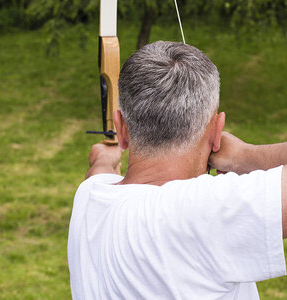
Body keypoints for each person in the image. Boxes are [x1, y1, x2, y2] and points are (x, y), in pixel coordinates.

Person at [67, 41, 287, 299]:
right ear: (217, 131)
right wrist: (243, 156)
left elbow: (99, 175)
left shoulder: (89, 197)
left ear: (121, 128)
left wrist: (103, 160)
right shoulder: (202, 211)